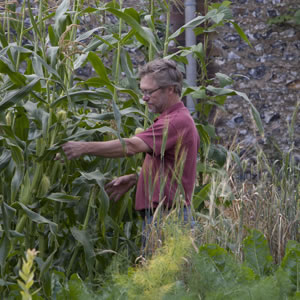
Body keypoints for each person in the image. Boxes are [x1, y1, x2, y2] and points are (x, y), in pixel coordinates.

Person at [61, 58, 200, 224]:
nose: (144, 98)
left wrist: (82, 148)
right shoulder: (175, 119)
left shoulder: (175, 121)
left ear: (170, 89)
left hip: (168, 217)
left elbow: (132, 146)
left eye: (149, 92)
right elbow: (173, 167)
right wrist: (138, 177)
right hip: (166, 214)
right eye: (143, 92)